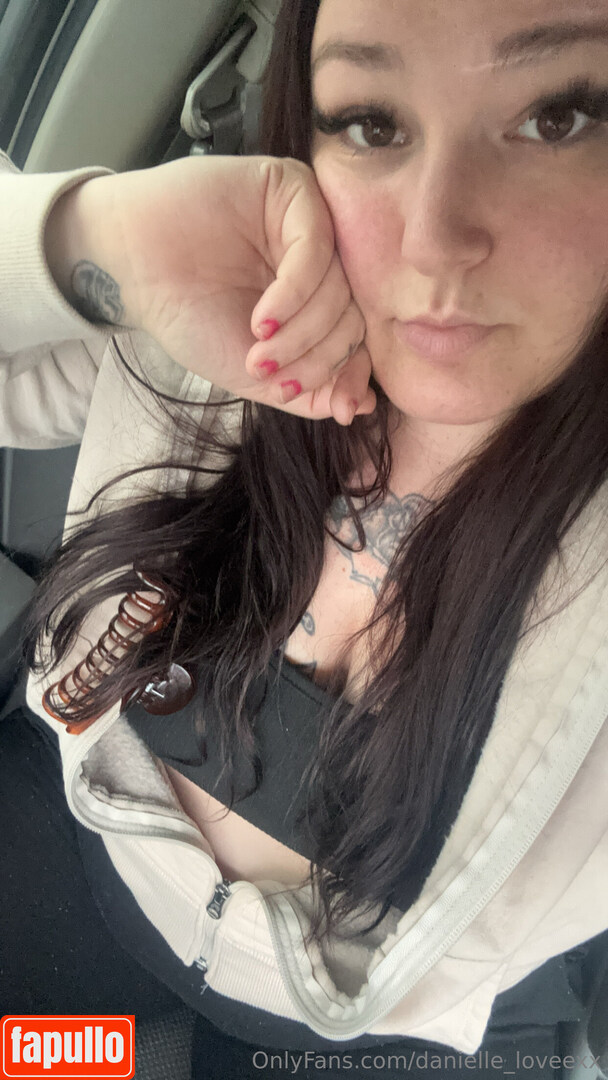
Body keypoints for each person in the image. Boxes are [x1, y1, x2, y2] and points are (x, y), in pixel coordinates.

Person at [1, 0, 607, 1075]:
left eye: (556, 117)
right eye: (371, 124)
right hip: (77, 898)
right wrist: (93, 239)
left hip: (360, 1050)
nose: (434, 237)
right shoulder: (221, 332)